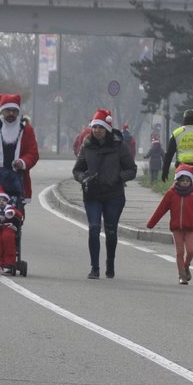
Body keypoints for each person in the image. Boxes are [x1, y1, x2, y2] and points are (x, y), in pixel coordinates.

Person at [72, 108, 137, 279]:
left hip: (113, 195)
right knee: (94, 229)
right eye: (94, 127)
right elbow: (77, 170)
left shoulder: (119, 146)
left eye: (100, 128)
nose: (97, 131)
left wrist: (119, 177)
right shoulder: (87, 146)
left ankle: (110, 261)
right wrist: (83, 178)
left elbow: (132, 169)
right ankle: (95, 267)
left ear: (107, 129)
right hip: (92, 194)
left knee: (111, 231)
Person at [146, 167, 193, 283]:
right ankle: (182, 275)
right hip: (176, 228)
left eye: (187, 181)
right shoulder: (171, 194)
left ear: (191, 181)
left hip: (190, 227)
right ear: (177, 180)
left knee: (191, 251)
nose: (185, 183)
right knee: (180, 252)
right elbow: (161, 209)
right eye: (182, 180)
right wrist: (151, 223)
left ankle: (186, 265)